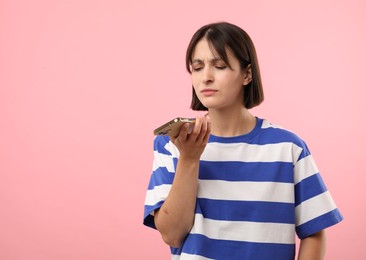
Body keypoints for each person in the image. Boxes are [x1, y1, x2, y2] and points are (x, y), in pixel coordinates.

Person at [143, 22, 343, 260]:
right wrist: (189, 158)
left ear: (247, 74)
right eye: (197, 68)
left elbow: (314, 232)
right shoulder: (172, 144)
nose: (206, 77)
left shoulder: (288, 148)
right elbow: (172, 235)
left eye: (219, 66)